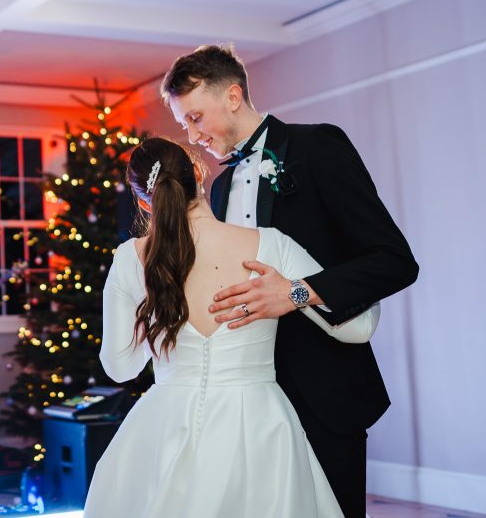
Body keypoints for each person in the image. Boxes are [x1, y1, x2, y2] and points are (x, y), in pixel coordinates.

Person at [161, 44, 419, 516]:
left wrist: (297, 292)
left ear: (233, 96)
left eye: (196, 118)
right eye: (185, 125)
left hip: (323, 385)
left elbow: (395, 260)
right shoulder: (218, 188)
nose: (193, 135)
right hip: (248, 395)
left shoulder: (317, 146)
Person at [84, 138, 381, 516]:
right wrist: (299, 294)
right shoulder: (270, 244)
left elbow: (119, 368)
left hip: (164, 425)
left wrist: (156, 311)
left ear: (144, 201)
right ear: (198, 175)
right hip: (258, 423)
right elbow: (357, 329)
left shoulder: (130, 258)